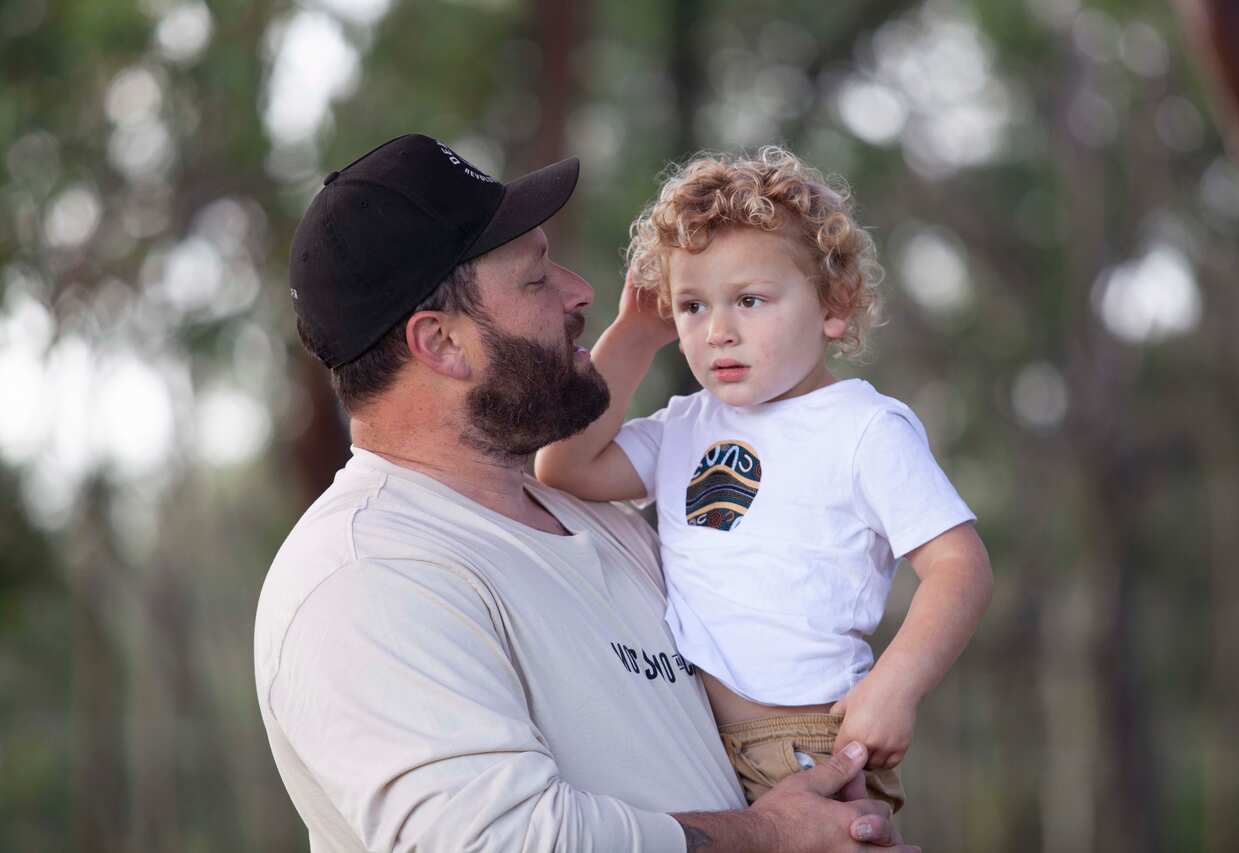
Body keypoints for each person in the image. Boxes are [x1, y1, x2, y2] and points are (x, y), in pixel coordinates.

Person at [254, 132, 917, 852]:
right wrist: (770, 836)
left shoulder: (603, 518)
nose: (581, 291)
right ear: (440, 343)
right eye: (537, 280)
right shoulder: (364, 576)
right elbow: (496, 843)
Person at [535, 147, 994, 809]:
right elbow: (564, 464)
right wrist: (635, 332)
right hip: (686, 734)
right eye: (691, 306)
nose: (718, 330)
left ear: (832, 306)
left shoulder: (863, 427)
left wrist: (895, 686)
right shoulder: (686, 424)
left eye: (749, 300)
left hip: (805, 742)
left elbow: (960, 564)